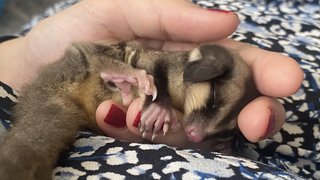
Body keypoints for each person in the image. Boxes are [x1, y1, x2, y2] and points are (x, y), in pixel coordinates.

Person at [0, 0, 303, 147]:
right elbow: (157, 67)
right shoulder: (182, 62)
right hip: (79, 72)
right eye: (210, 108)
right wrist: (162, 101)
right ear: (204, 69)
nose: (198, 130)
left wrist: (221, 137)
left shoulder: (208, 85)